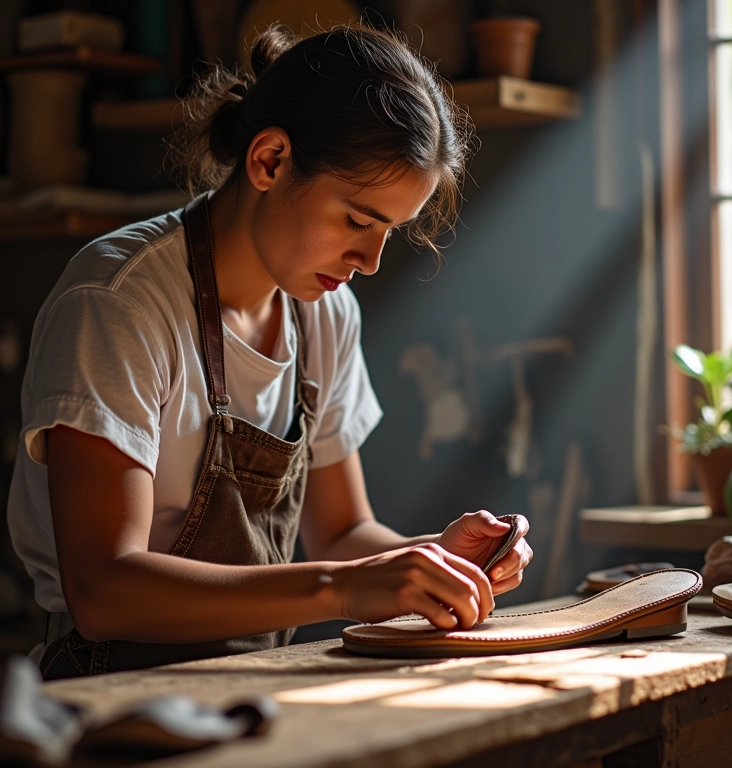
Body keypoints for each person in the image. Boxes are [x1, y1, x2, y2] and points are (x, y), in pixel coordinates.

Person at [7, 24, 533, 680]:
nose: (370, 261)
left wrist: (434, 560)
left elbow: (342, 535)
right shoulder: (119, 302)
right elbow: (103, 592)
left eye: (389, 232)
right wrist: (342, 588)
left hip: (254, 684)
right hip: (104, 690)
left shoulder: (323, 312)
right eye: (359, 220)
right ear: (270, 161)